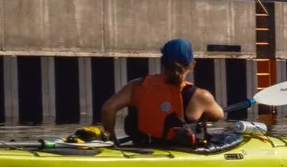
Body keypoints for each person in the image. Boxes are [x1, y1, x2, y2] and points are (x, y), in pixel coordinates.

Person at [96, 38, 226, 148]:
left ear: (162, 62)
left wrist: (112, 140)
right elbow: (218, 115)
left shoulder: (137, 85)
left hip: (141, 147)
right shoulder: (201, 96)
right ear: (192, 64)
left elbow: (108, 109)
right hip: (180, 152)